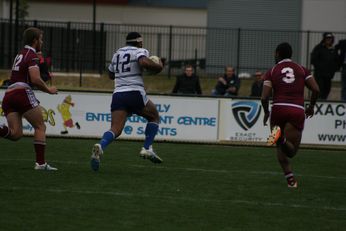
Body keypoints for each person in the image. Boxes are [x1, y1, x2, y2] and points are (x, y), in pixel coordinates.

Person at [90, 32, 163, 171]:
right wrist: (158, 66)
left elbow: (111, 74)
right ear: (139, 42)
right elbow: (143, 62)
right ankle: (147, 148)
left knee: (116, 129)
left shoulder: (117, 53)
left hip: (118, 94)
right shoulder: (140, 51)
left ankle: (101, 145)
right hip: (134, 91)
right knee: (154, 117)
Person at [261, 42, 319, 188]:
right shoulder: (301, 69)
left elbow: (264, 97)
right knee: (291, 151)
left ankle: (291, 180)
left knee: (280, 147)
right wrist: (311, 107)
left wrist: (266, 112)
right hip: (295, 110)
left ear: (277, 54)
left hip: (278, 109)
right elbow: (316, 89)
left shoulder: (272, 71)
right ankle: (282, 139)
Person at [0, 27, 58, 170]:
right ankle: (40, 164)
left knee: (15, 134)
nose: (42, 42)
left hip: (9, 95)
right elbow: (35, 79)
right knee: (40, 126)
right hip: (21, 93)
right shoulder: (31, 56)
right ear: (35, 40)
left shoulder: (21, 54)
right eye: (41, 39)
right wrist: (49, 90)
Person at [310, 32, 339, 100]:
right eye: (327, 38)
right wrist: (320, 67)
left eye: (330, 38)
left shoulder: (333, 49)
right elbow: (313, 60)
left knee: (327, 89)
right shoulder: (318, 48)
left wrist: (334, 69)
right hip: (319, 74)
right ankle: (317, 101)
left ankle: (323, 100)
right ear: (324, 39)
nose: (329, 40)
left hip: (329, 75)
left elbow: (337, 60)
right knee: (320, 89)